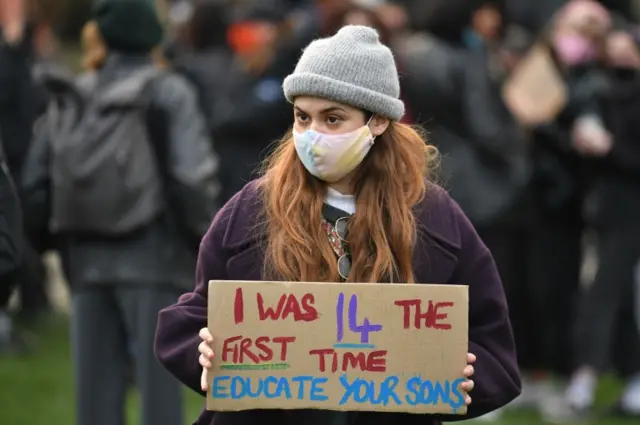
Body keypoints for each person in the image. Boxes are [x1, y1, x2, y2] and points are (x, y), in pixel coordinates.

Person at [154, 25, 521, 425]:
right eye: (302, 117)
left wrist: (468, 377)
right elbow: (194, 316)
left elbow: (492, 345)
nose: (312, 135)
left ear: (378, 121)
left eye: (332, 119)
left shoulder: (432, 217)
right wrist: (202, 351)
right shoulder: (252, 210)